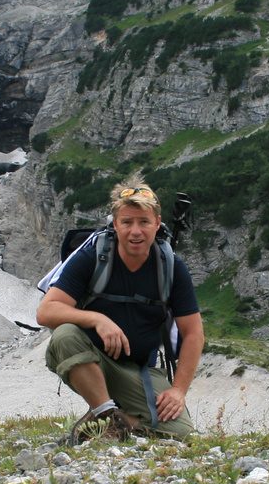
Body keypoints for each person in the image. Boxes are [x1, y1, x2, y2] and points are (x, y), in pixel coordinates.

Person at [37, 183, 204, 441]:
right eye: (127, 222)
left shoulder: (171, 266)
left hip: (139, 369)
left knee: (180, 432)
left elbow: (193, 333)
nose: (135, 231)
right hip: (90, 359)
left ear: (157, 224)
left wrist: (179, 390)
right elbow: (46, 311)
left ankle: (108, 422)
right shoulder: (92, 257)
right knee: (65, 334)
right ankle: (105, 413)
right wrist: (97, 319)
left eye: (144, 222)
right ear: (115, 224)